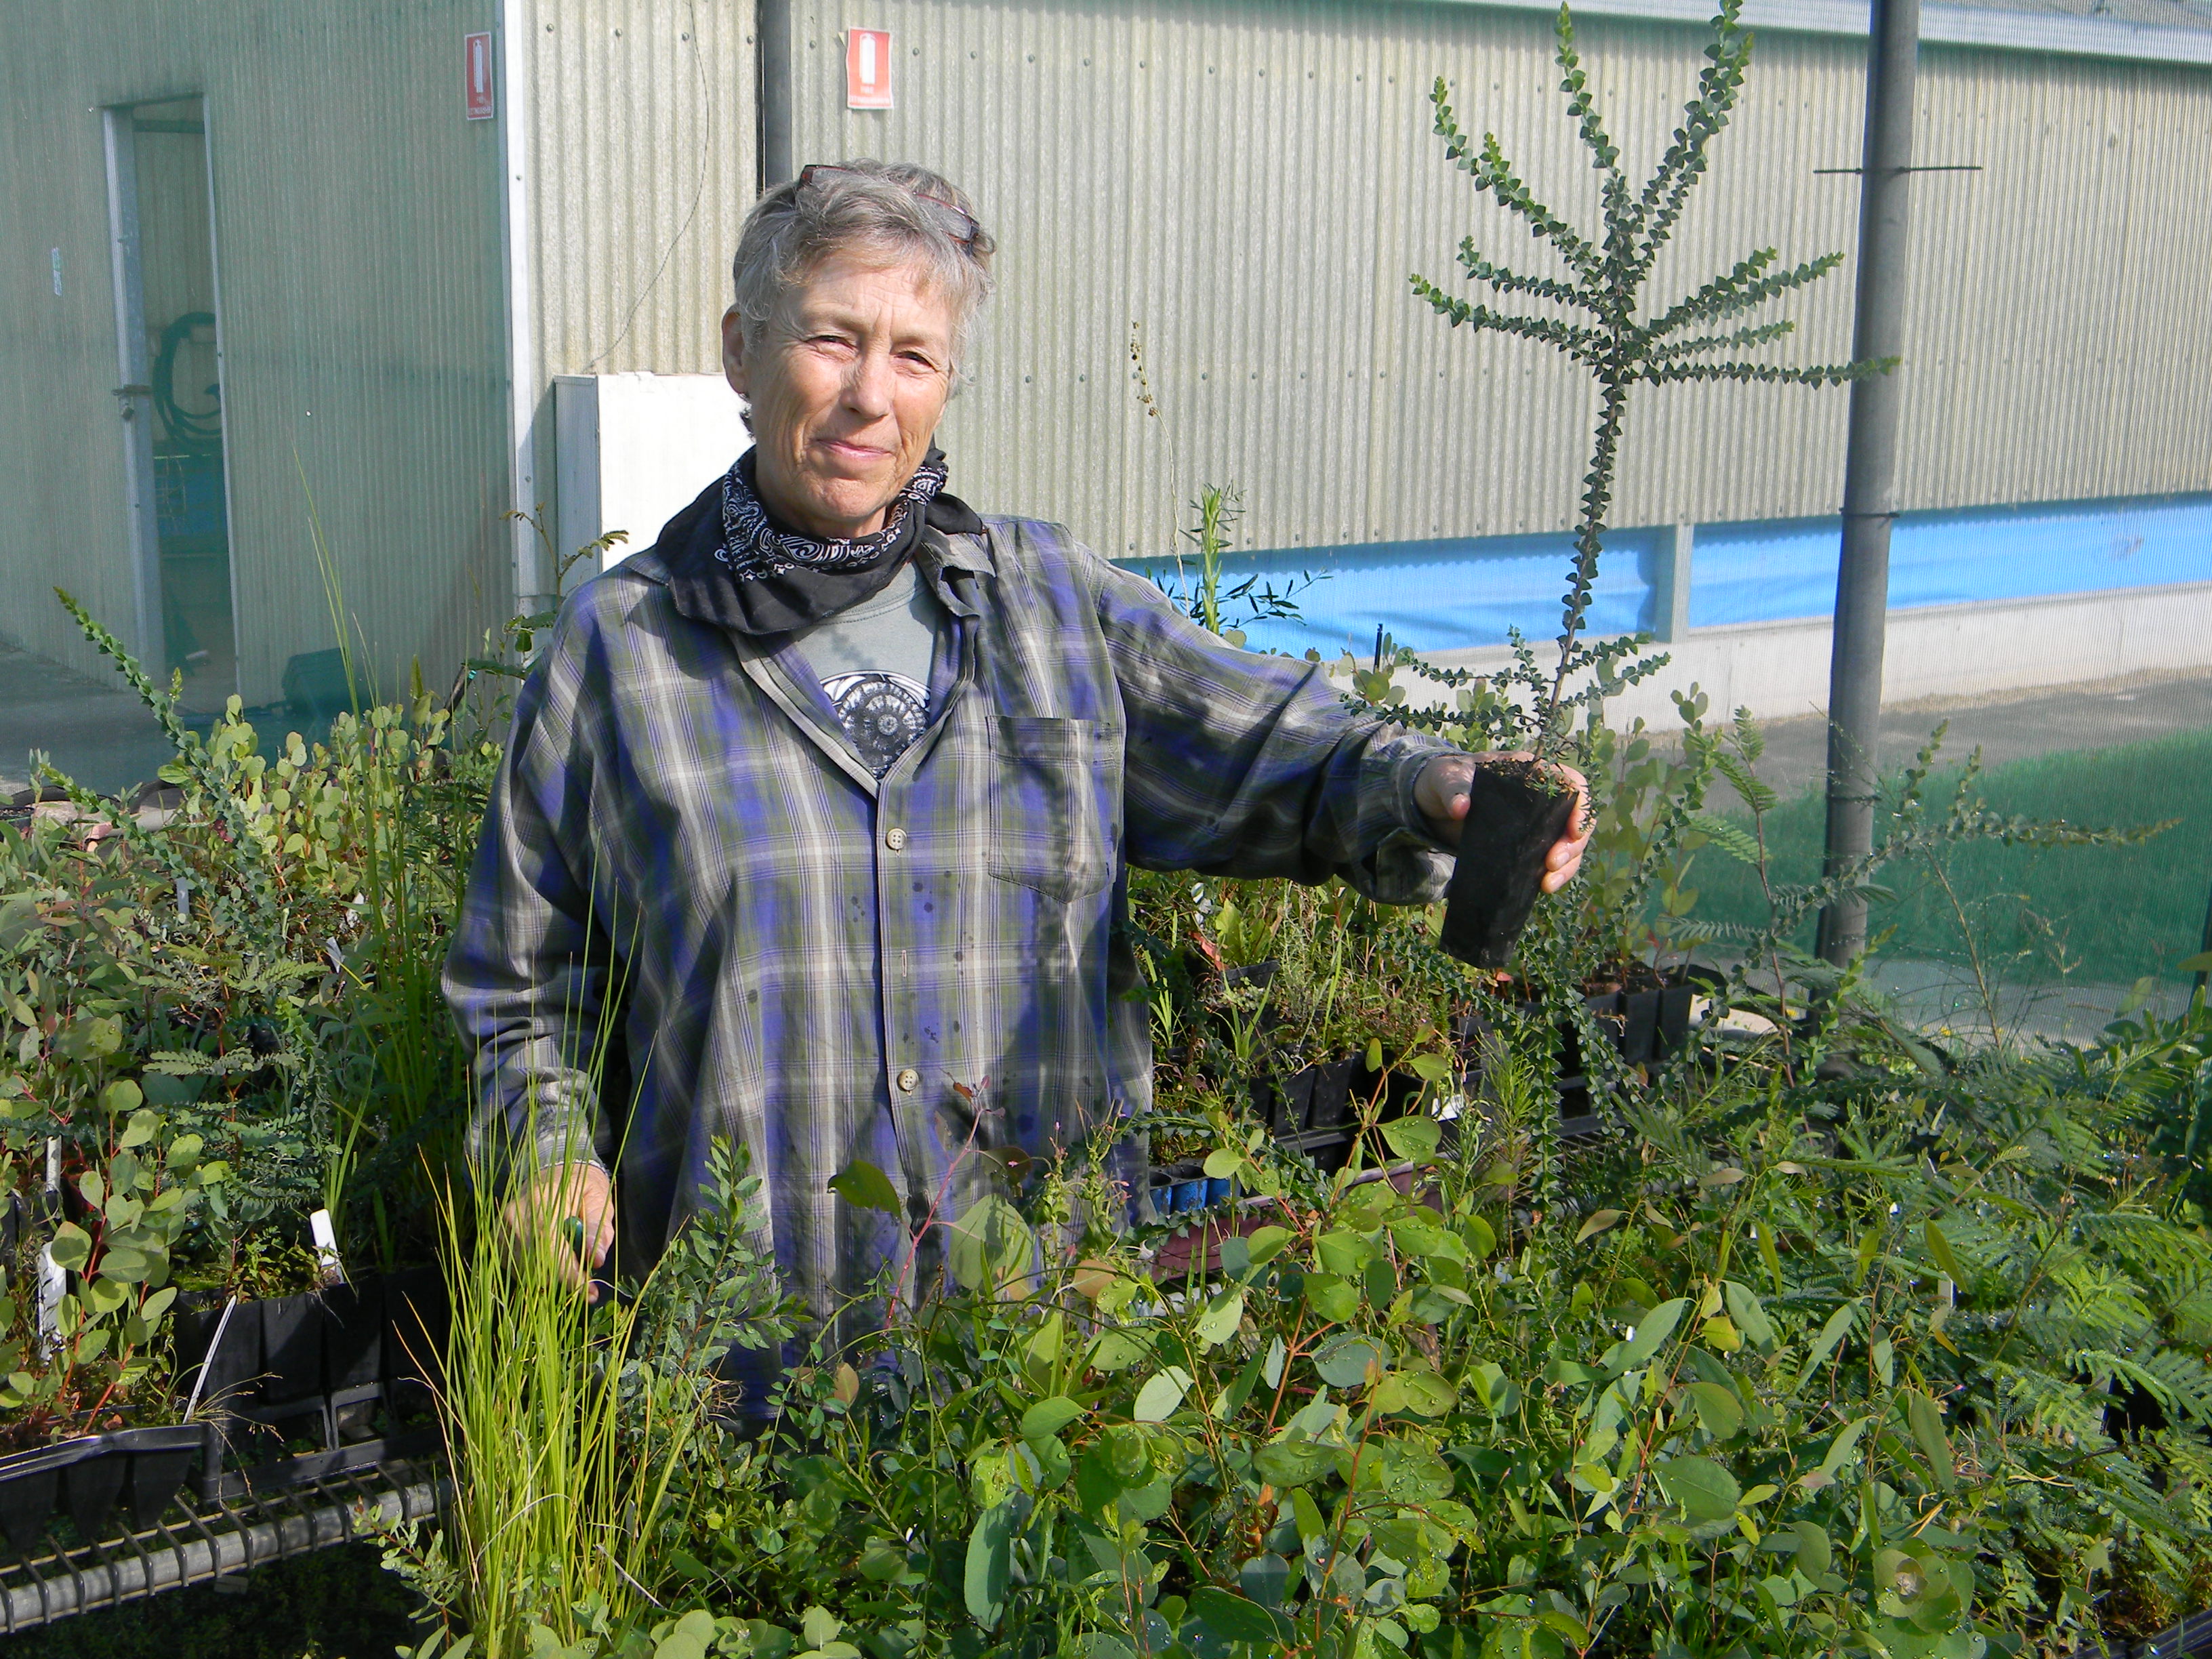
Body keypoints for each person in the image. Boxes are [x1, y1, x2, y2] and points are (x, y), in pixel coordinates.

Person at [444, 159, 1588, 1410]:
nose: (869, 397)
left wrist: (1428, 789)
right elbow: (519, 976)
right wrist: (541, 1149)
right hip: (741, 1373)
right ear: (742, 349)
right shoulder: (623, 652)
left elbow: (1277, 745)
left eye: (915, 355)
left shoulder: (1053, 612)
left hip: (1039, 1373)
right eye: (832, 339)